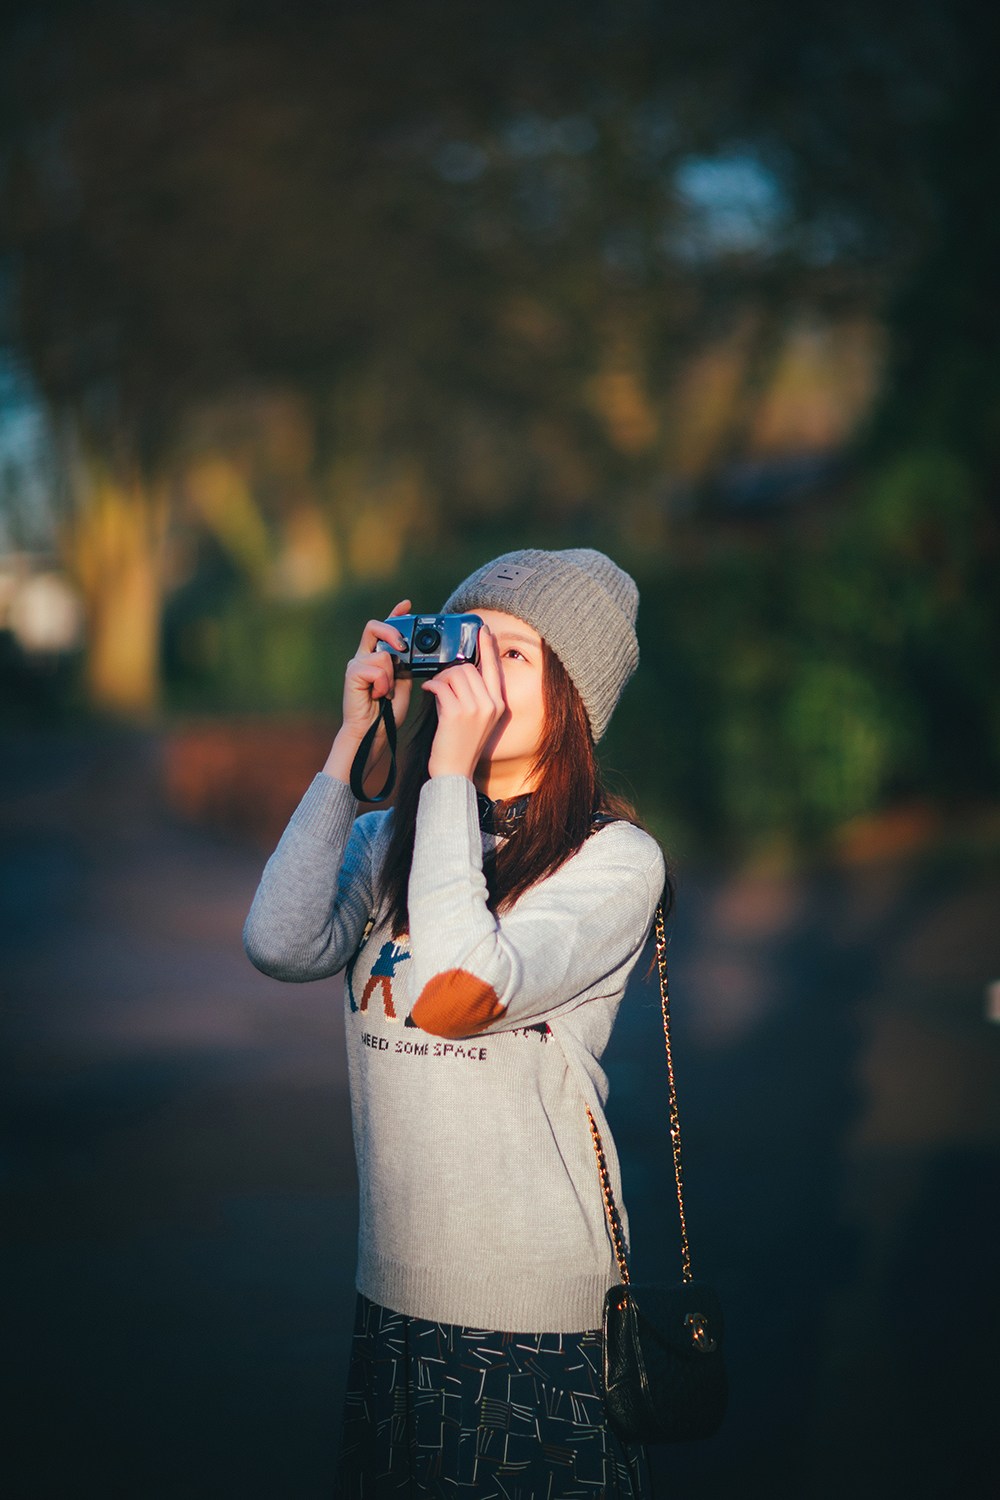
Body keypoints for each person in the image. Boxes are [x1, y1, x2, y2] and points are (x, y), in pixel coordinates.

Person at [243, 548, 670, 1497]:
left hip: (533, 1320)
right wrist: (352, 748)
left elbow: (455, 994)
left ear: (576, 701)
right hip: (391, 1295)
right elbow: (278, 941)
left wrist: (441, 777)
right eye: (470, 644)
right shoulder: (392, 839)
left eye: (516, 656)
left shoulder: (615, 862)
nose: (479, 672)